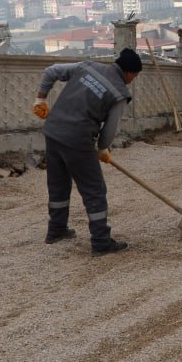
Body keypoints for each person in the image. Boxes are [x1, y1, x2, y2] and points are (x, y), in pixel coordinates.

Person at [31, 48, 142, 254]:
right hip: (78, 140)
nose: (133, 80)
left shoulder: (88, 66)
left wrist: (41, 99)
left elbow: (51, 71)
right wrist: (102, 149)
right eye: (135, 76)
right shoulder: (119, 93)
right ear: (128, 72)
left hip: (53, 131)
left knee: (58, 183)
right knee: (94, 191)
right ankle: (101, 241)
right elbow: (110, 130)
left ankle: (56, 230)